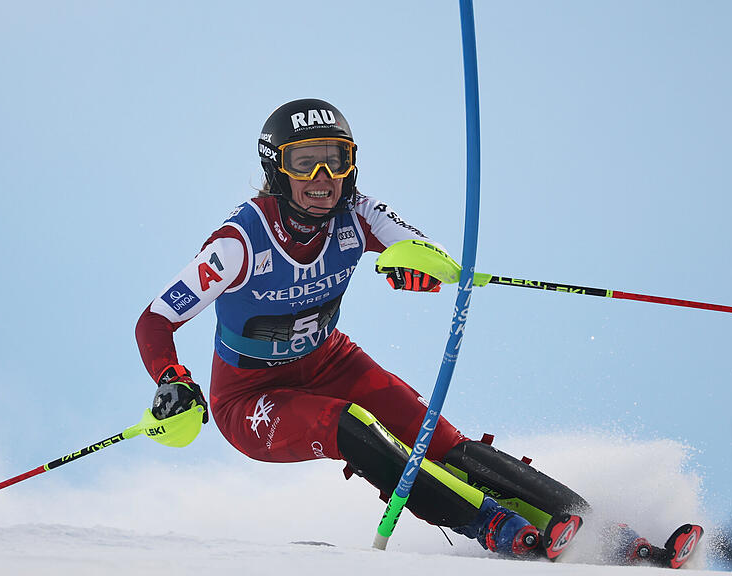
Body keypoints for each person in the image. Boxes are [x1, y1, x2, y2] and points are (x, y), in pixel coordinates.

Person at [135, 98, 701, 566]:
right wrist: (172, 379)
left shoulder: (356, 213)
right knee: (351, 425)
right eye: (304, 162)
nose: (321, 179)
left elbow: (424, 251)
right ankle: (491, 525)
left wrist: (414, 267)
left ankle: (610, 533)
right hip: (252, 397)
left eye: (334, 161)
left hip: (331, 361)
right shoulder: (239, 243)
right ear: (275, 169)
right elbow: (156, 320)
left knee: (440, 439)